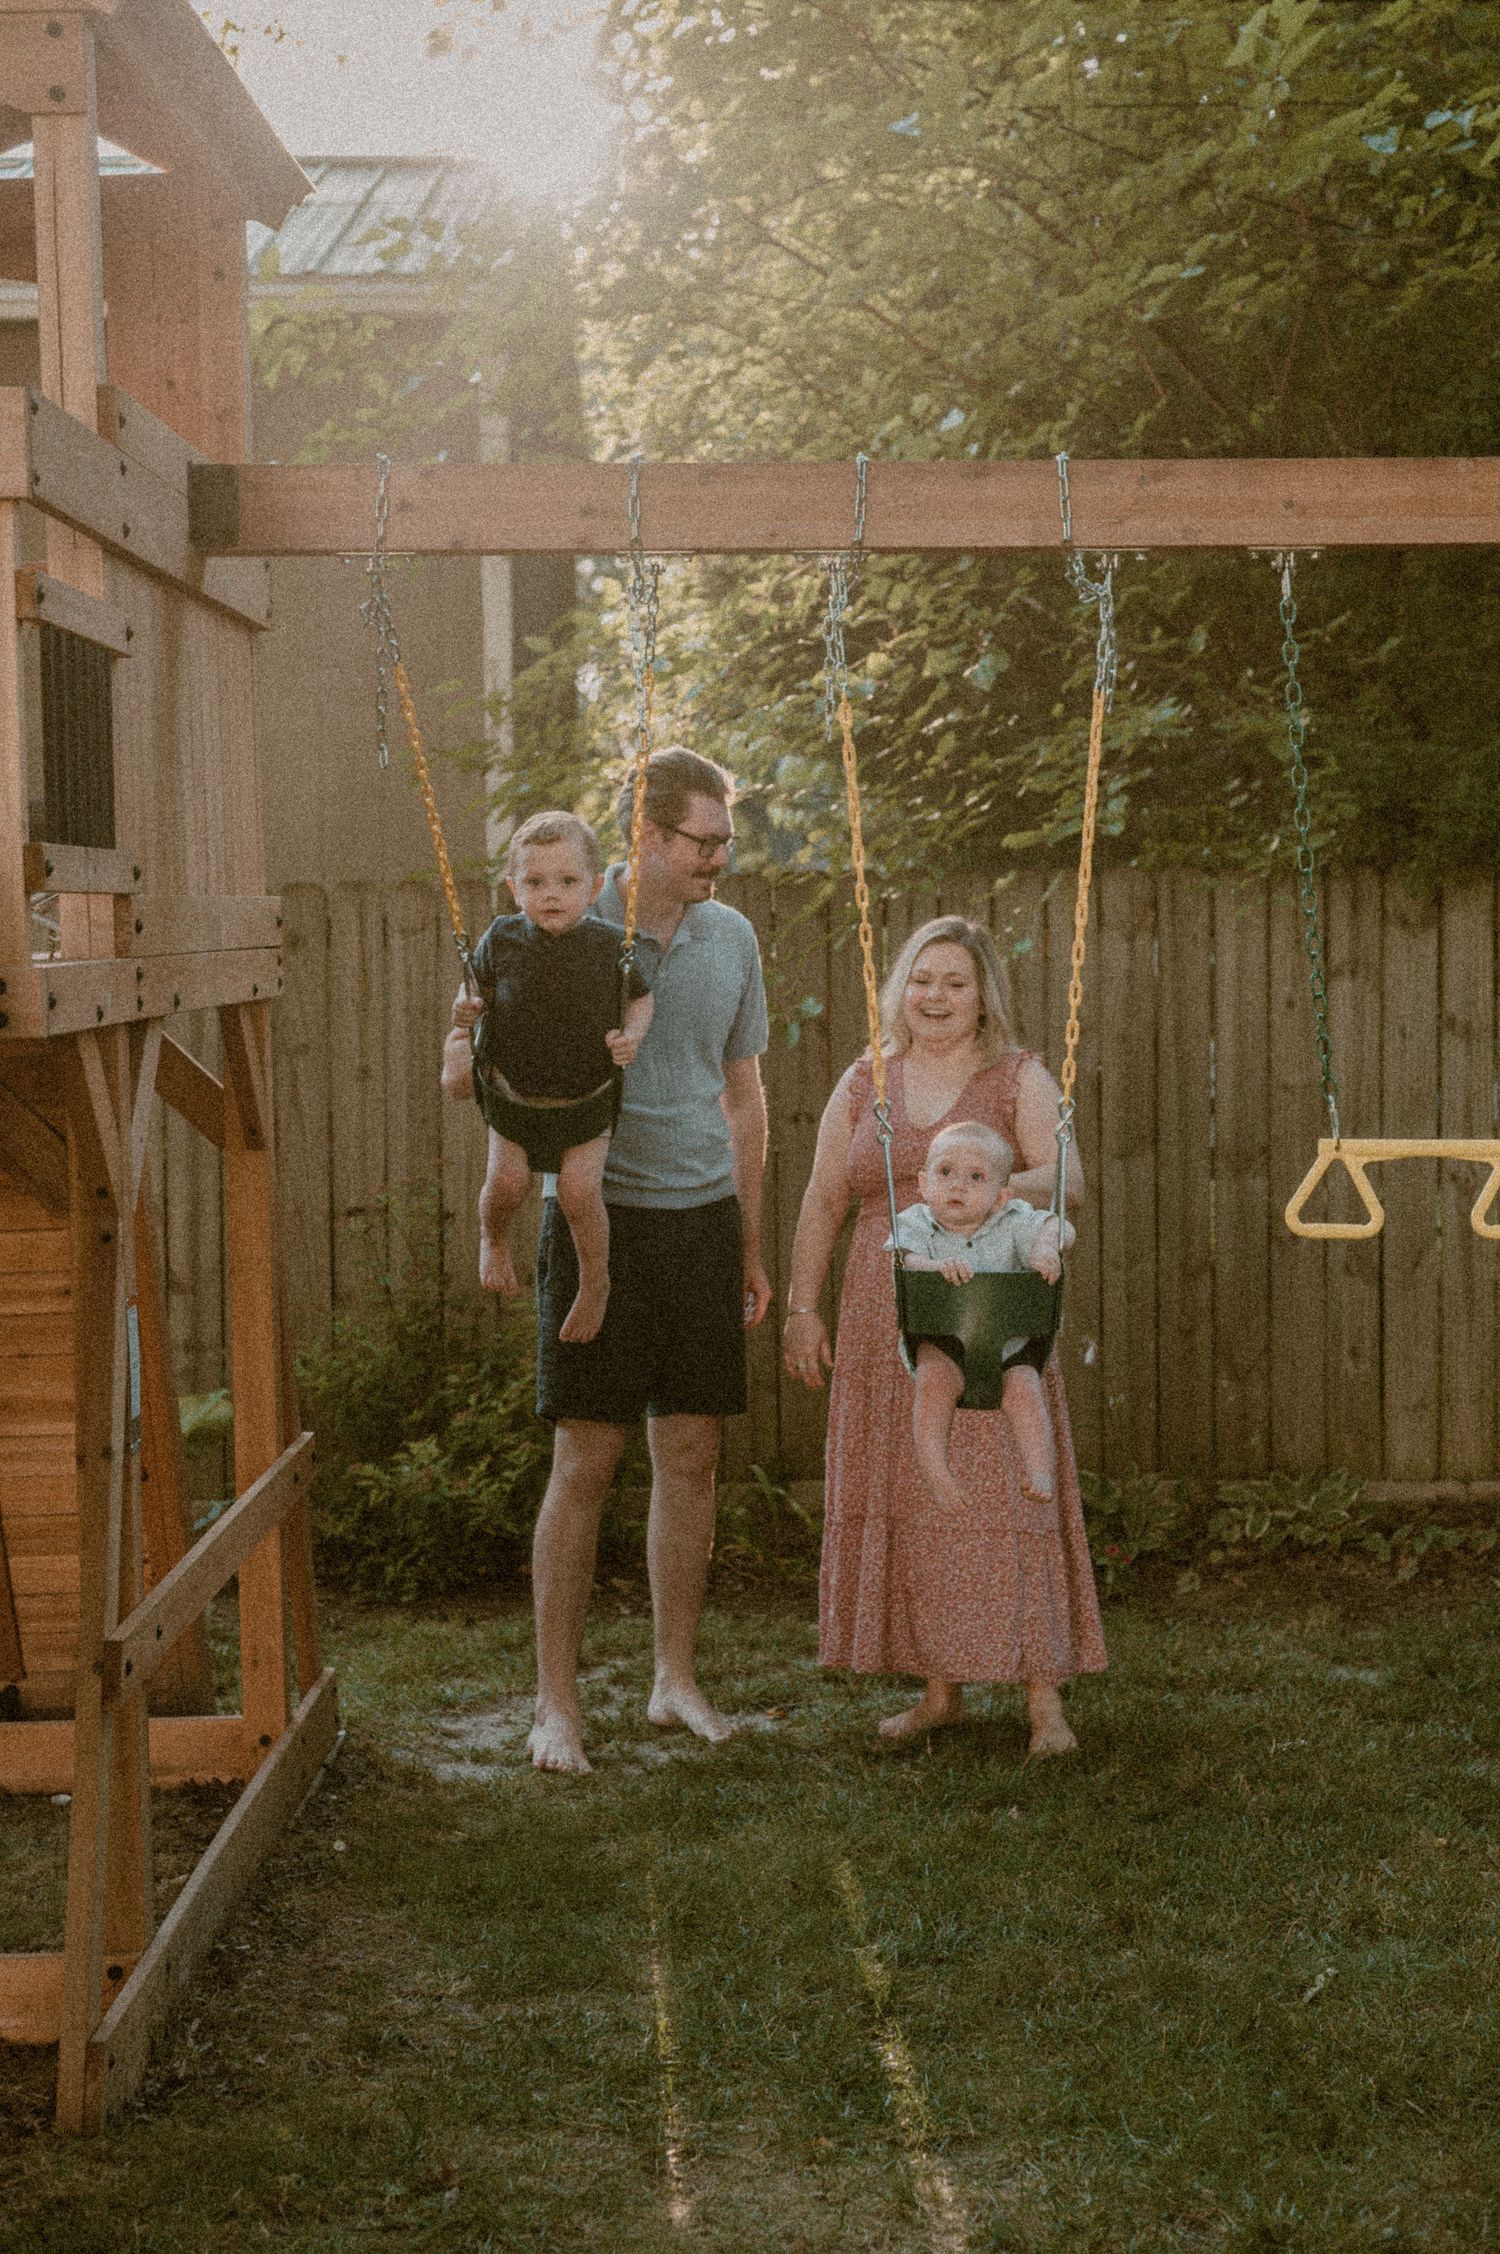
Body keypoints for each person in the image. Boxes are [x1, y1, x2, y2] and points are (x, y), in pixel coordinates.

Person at [445, 748, 771, 1775]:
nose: (720, 858)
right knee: (585, 1459)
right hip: (600, 1217)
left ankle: (674, 1680)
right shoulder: (570, 921)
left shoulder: (733, 938)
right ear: (649, 837)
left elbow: (745, 1095)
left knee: (692, 1455)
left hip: (703, 1218)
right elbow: (483, 1044)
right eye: (703, 841)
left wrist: (751, 1244)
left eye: (725, 840)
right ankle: (556, 1705)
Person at [783, 915, 1106, 1758]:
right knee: (919, 1495)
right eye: (921, 980)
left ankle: (1045, 1701)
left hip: (986, 1302)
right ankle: (940, 1689)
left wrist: (974, 1185)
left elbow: (1072, 1176)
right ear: (900, 989)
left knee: (1006, 1488)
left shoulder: (1016, 1076)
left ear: (982, 996)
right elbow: (824, 1196)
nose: (935, 996)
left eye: (955, 982)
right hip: (877, 1305)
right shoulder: (867, 1080)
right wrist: (799, 1306)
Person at [441, 810, 654, 1345]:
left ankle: (595, 1283)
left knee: (580, 1195)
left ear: (595, 887)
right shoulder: (503, 938)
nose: (551, 894)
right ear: (515, 889)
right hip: (512, 1091)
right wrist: (465, 1012)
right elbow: (475, 989)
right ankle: (493, 1239)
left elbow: (643, 999)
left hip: (588, 1097)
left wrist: (632, 1037)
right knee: (507, 1183)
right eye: (535, 882)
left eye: (567, 882)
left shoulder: (610, 945)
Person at [891, 1118, 1075, 1517]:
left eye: (976, 1177)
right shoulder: (916, 1221)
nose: (958, 1185)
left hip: (1010, 1345)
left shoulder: (1013, 1220)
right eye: (945, 1173)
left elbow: (1059, 1226)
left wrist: (1045, 1248)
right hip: (943, 1341)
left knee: (1025, 1388)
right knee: (933, 1382)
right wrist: (933, 1266)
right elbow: (905, 1258)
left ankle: (1039, 1472)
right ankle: (937, 1472)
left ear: (999, 1196)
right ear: (923, 1183)